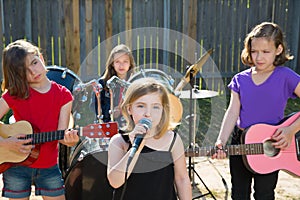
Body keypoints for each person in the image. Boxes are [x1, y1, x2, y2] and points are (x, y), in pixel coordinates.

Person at [212, 22, 300, 199]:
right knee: (239, 193)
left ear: (279, 49)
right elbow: (232, 112)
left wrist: (291, 130)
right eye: (254, 51)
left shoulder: (286, 77)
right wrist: (221, 140)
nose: (259, 57)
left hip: (271, 144)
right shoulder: (239, 80)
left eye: (265, 52)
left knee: (264, 194)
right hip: (241, 141)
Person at [0, 39, 79, 199]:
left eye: (35, 63)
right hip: (15, 165)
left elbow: (62, 136)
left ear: (41, 58)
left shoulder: (63, 95)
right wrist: (6, 143)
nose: (33, 71)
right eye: (25, 70)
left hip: (48, 166)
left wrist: (71, 140)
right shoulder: (15, 94)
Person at [107, 77, 192, 200]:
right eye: (141, 106)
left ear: (163, 110)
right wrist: (136, 147)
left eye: (155, 107)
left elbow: (182, 178)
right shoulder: (119, 142)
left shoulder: (172, 139)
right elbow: (115, 182)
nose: (148, 113)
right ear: (129, 109)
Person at [94, 44, 136, 127]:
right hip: (109, 127)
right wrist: (111, 112)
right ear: (112, 63)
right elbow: (96, 108)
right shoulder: (102, 83)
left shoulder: (135, 83)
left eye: (125, 61)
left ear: (130, 63)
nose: (121, 65)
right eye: (117, 61)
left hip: (132, 126)